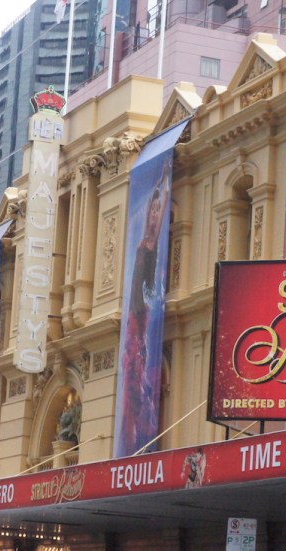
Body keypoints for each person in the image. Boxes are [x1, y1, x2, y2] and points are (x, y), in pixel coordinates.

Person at [118, 158, 171, 454]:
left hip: (144, 312)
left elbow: (162, 202)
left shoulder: (153, 240)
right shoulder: (142, 241)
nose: (152, 214)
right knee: (132, 370)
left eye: (155, 210)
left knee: (138, 369)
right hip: (133, 315)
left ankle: (140, 430)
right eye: (150, 209)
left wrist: (163, 178)